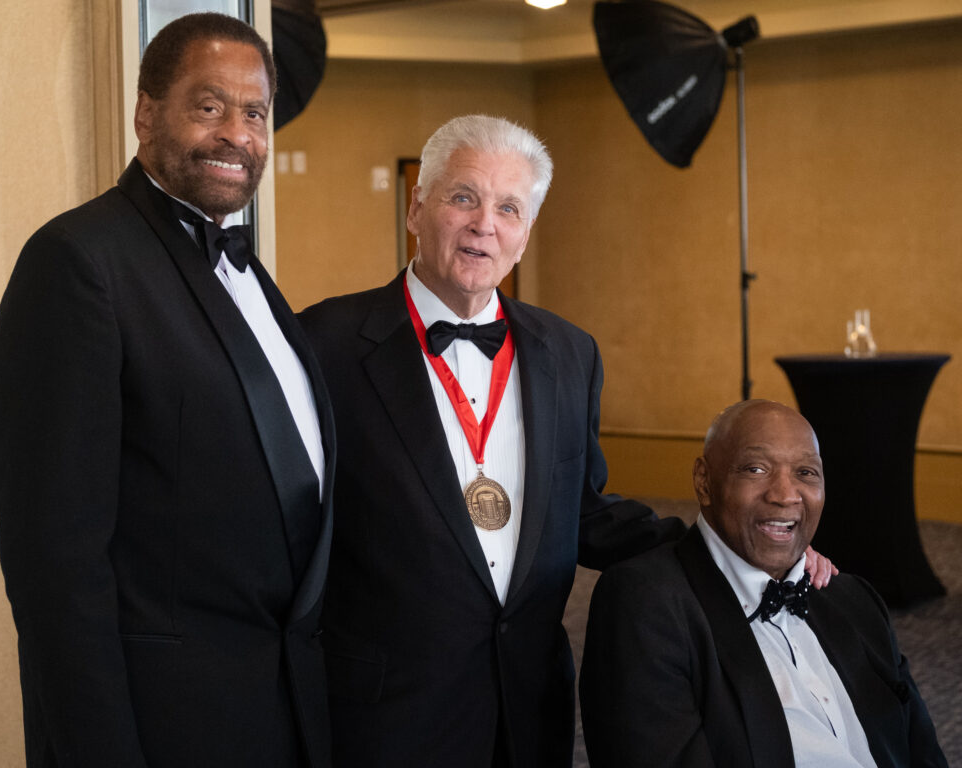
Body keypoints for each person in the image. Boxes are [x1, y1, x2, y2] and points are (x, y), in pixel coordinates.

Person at [299, 115, 832, 767]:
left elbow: (586, 512)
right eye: (462, 196)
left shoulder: (569, 352)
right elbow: (291, 532)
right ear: (417, 208)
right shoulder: (322, 344)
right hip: (382, 713)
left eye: (509, 207)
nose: (483, 224)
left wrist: (740, 549)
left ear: (525, 232)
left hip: (527, 705)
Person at [0, 13, 334, 767]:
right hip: (161, 729)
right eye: (209, 107)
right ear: (146, 113)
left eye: (254, 114)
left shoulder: (252, 277)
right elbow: (56, 566)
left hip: (281, 715)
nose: (236, 135)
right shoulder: (78, 264)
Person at [580, 400, 946, 768]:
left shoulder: (853, 599)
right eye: (756, 469)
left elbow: (923, 753)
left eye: (806, 473)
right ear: (704, 482)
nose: (785, 495)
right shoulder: (647, 608)